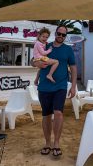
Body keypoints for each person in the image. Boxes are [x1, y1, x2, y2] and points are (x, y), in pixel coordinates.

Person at [32, 25, 77, 157]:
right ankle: (47, 143)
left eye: (64, 35)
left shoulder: (68, 50)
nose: (61, 36)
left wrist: (73, 86)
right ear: (55, 33)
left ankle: (56, 143)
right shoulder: (45, 45)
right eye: (59, 33)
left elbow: (73, 68)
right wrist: (36, 64)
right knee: (46, 115)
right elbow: (32, 60)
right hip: (44, 86)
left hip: (60, 86)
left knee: (58, 112)